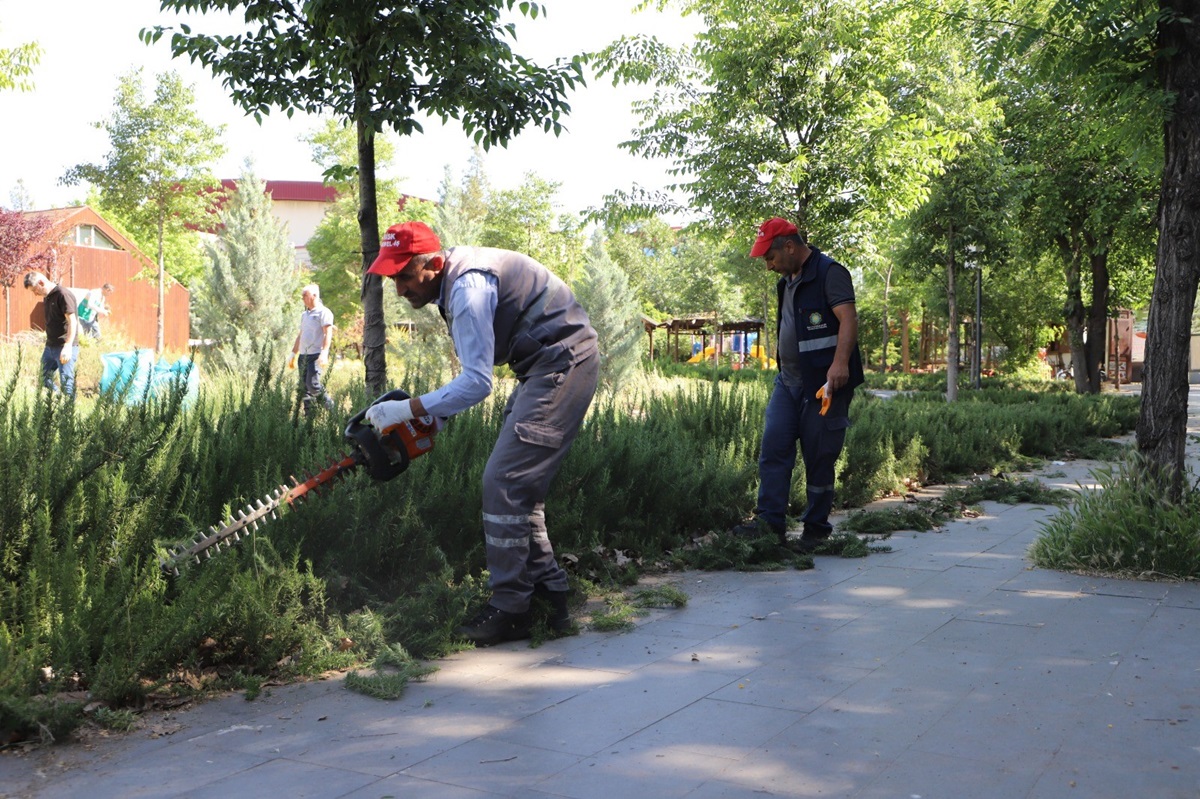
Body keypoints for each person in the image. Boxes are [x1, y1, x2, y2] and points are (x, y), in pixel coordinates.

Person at [363, 221, 599, 646]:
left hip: (562, 364)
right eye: (391, 278)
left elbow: (477, 383)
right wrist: (429, 419)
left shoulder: (468, 289)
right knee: (519, 485)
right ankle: (549, 595)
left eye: (403, 276)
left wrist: (408, 408)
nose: (398, 290)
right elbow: (474, 376)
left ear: (432, 264)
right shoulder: (457, 279)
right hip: (545, 366)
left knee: (504, 480)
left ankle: (512, 609)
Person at [732, 218, 864, 552]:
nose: (768, 264)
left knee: (820, 456)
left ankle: (816, 530)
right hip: (787, 382)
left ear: (789, 246)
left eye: (770, 256)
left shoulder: (830, 272)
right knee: (773, 448)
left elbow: (848, 318)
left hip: (824, 385)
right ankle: (770, 524)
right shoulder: (786, 282)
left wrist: (839, 364)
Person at [23, 271, 79, 396]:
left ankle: (69, 413)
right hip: (50, 347)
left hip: (64, 346)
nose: (35, 294)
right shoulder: (47, 297)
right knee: (44, 378)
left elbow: (72, 322)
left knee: (67, 384)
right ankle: (59, 399)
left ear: (41, 283)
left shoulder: (63, 295)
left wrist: (68, 346)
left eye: (35, 290)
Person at [289, 283, 335, 417]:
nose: (302, 298)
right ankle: (310, 418)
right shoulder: (305, 315)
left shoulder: (324, 312)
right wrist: (293, 353)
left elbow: (328, 333)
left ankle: (334, 412)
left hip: (315, 355)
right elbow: (301, 334)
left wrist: (324, 352)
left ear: (314, 296)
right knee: (304, 388)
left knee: (313, 385)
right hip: (303, 356)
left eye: (305, 295)